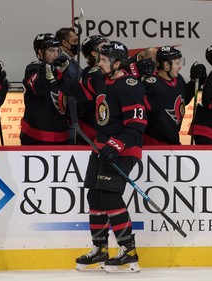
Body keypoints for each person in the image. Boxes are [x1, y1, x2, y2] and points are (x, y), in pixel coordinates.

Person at [75, 41, 147, 273]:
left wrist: (115, 146)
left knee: (109, 196)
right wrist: (60, 72)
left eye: (104, 60)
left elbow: (137, 125)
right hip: (100, 149)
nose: (99, 64)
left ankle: (129, 251)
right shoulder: (100, 78)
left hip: (124, 150)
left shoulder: (130, 85)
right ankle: (101, 249)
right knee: (95, 198)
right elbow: (78, 92)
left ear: (117, 63)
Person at [142, 46, 207, 145]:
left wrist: (195, 82)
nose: (180, 66)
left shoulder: (178, 79)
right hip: (154, 143)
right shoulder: (151, 84)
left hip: (173, 140)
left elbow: (182, 99)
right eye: (177, 63)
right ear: (166, 65)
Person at [20, 33, 71, 145]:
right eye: (51, 51)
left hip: (62, 136)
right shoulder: (32, 69)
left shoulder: (62, 69)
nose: (55, 55)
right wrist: (50, 71)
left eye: (57, 51)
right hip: (35, 136)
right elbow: (39, 89)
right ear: (40, 52)